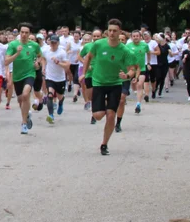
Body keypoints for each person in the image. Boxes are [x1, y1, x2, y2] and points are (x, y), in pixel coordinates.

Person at [80, 19, 134, 156]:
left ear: (120, 32)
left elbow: (131, 70)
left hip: (115, 84)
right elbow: (88, 57)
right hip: (98, 82)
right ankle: (103, 104)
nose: (111, 33)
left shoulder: (124, 50)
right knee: (98, 116)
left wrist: (127, 75)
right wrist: (84, 73)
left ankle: (104, 144)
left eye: (115, 31)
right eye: (109, 30)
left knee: (111, 115)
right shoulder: (98, 44)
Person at [4, 24, 42, 134]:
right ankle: (27, 114)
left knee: (26, 95)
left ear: (30, 34)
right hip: (17, 76)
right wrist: (17, 53)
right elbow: (6, 61)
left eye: (26, 32)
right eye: (22, 32)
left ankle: (24, 123)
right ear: (19, 33)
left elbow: (40, 56)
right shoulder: (13, 45)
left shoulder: (34, 45)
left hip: (30, 74)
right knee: (21, 100)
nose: (24, 35)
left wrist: (37, 62)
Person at [43, 33, 70, 124]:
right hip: (49, 77)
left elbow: (67, 65)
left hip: (60, 79)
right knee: (50, 95)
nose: (53, 44)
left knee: (60, 96)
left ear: (58, 43)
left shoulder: (61, 52)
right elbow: (43, 59)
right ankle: (51, 115)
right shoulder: (46, 51)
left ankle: (61, 102)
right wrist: (43, 67)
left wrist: (58, 62)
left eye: (55, 43)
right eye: (51, 42)